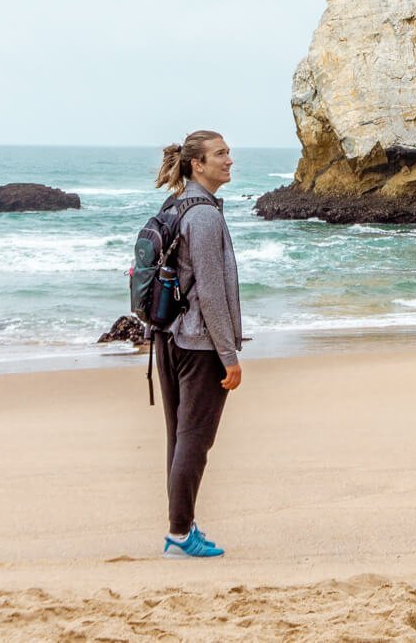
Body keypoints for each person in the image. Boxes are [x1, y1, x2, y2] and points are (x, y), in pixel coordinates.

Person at [153, 130, 243, 558]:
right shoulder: (204, 215)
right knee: (195, 439)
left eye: (228, 152)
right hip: (198, 345)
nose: (229, 160)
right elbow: (210, 291)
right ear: (197, 165)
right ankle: (179, 532)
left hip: (171, 338)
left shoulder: (178, 205)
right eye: (220, 154)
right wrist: (230, 355)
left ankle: (182, 525)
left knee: (180, 437)